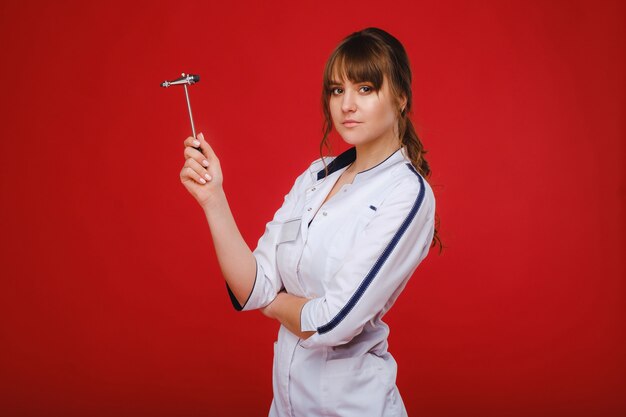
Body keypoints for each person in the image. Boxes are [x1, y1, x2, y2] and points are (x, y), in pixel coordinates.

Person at [180, 27, 441, 417]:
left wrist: (274, 304)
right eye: (337, 90)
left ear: (400, 98)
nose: (347, 104)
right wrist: (213, 198)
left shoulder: (406, 194)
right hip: (286, 406)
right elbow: (253, 287)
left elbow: (332, 322)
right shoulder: (316, 177)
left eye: (365, 88)